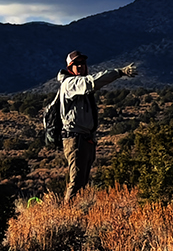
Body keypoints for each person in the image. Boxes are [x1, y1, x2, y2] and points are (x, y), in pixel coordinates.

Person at [55, 50, 137, 200]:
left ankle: (76, 214)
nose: (80, 66)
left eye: (82, 63)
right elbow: (91, 82)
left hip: (85, 138)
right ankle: (67, 215)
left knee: (82, 181)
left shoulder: (77, 84)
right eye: (76, 64)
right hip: (75, 139)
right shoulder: (70, 84)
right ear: (69, 68)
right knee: (77, 181)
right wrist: (119, 72)